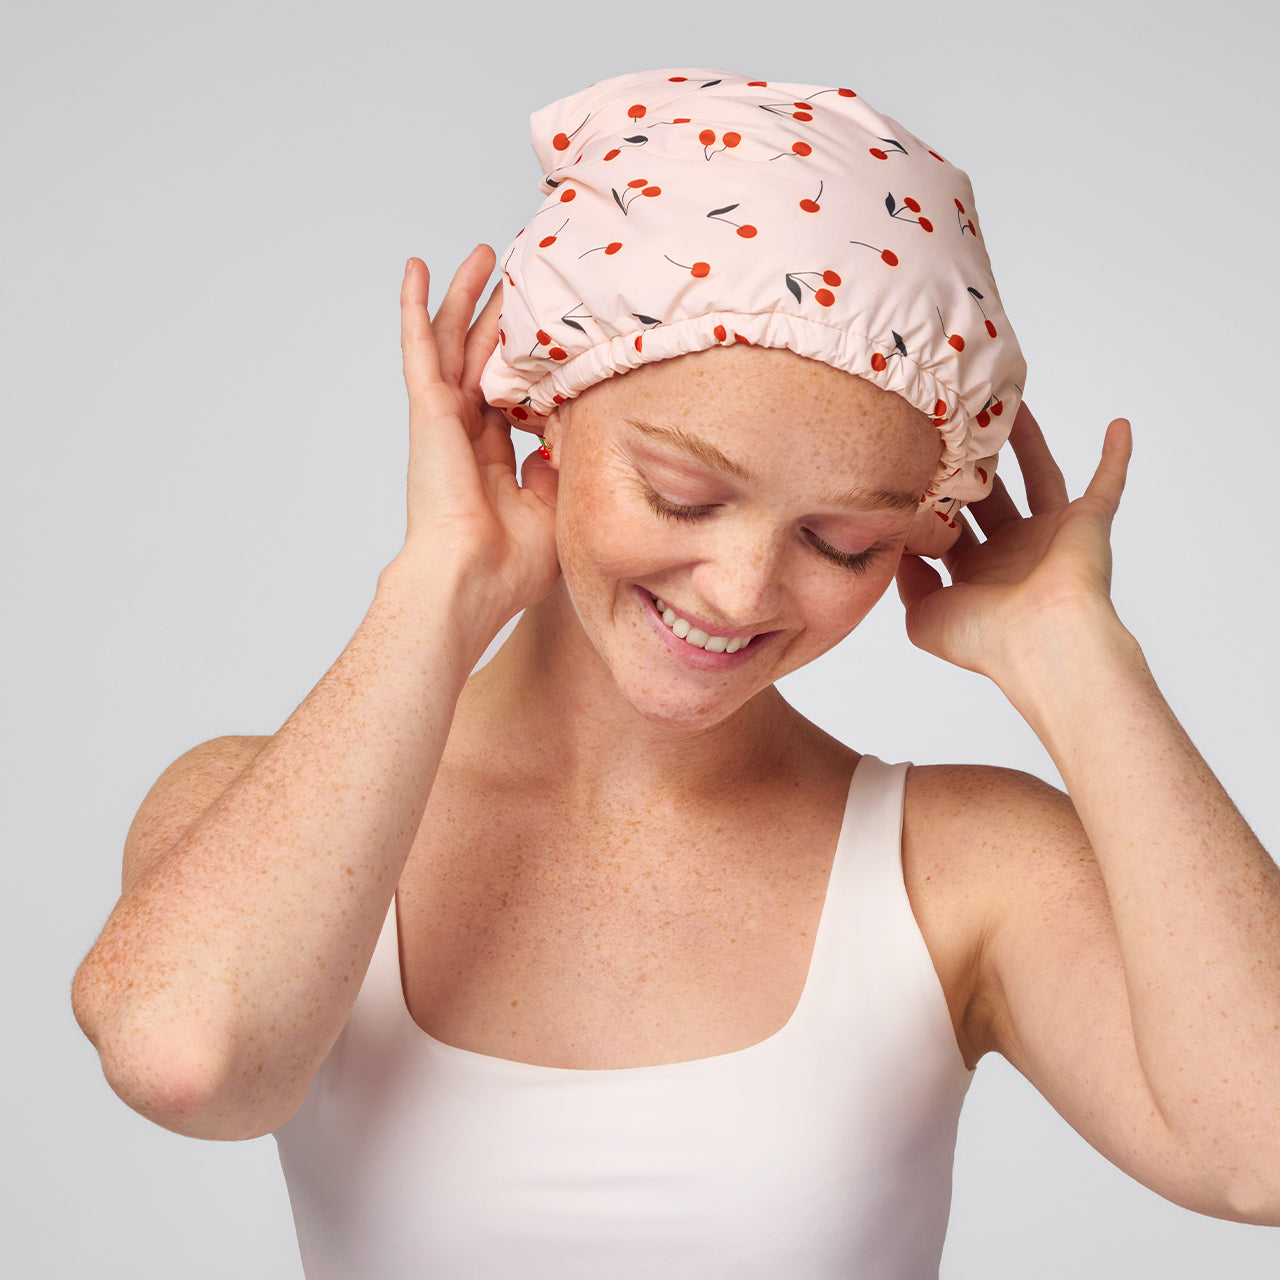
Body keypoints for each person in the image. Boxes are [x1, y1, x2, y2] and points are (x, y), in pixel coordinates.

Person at [71, 69, 1280, 1277]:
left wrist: (1075, 652)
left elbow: (1261, 1153)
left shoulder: (957, 868)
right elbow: (186, 1061)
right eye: (680, 493)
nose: (742, 590)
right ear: (545, 406)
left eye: (839, 542)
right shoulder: (259, 810)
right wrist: (439, 580)